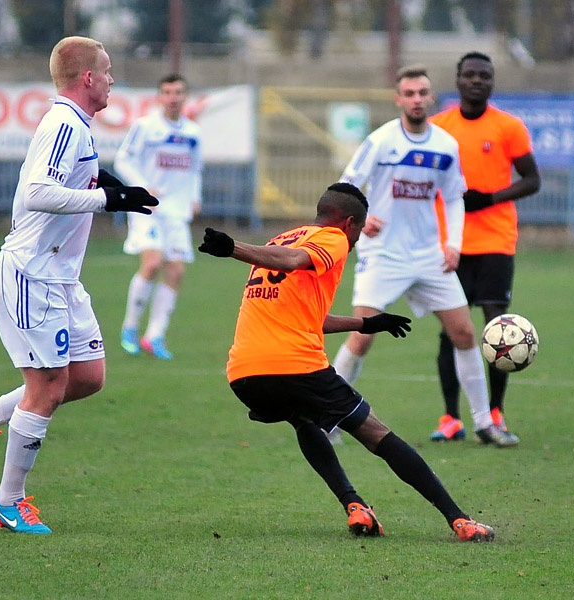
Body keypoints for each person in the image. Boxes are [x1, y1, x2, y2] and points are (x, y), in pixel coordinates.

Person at [197, 182, 495, 542]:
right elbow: (293, 263)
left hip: (244, 373)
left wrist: (367, 323)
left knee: (303, 418)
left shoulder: (282, 238)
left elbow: (309, 316)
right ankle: (459, 520)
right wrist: (232, 248)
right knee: (376, 433)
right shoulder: (332, 238)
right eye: (359, 232)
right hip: (295, 365)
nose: (356, 243)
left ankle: (355, 506)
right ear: (349, 223)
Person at [0, 36, 158, 534]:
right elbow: (39, 191)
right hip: (32, 274)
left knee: (87, 378)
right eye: (107, 72)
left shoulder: (79, 127)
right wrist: (109, 201)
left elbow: (76, 178)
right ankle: (8, 501)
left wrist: (112, 186)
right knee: (47, 387)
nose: (112, 80)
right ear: (88, 78)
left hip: (62, 278)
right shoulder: (64, 122)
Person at [330, 65, 518, 447]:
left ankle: (485, 423)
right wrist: (359, 219)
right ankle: (325, 418)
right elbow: (345, 185)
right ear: (399, 99)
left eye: (422, 93)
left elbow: (453, 198)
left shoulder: (445, 145)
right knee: (362, 336)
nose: (416, 99)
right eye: (409, 93)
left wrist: (454, 244)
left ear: (431, 98)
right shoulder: (381, 141)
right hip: (382, 255)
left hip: (429, 256)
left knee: (464, 333)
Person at [429, 51, 541, 442]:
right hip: (452, 244)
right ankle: (450, 417)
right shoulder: (438, 128)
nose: (477, 81)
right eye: (470, 74)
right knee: (451, 332)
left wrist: (490, 198)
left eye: (485, 76)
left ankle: (495, 413)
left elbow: (532, 179)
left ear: (492, 82)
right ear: (458, 80)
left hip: (495, 240)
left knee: (499, 330)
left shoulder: (508, 127)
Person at [115, 73, 203, 360]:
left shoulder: (192, 132)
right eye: (167, 92)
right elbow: (122, 160)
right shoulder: (145, 127)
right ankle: (129, 328)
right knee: (152, 263)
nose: (173, 97)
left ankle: (155, 336)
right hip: (148, 208)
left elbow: (195, 169)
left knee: (176, 271)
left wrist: (195, 197)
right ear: (159, 96)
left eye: (178, 92)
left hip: (176, 211)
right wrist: (142, 188)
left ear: (184, 96)